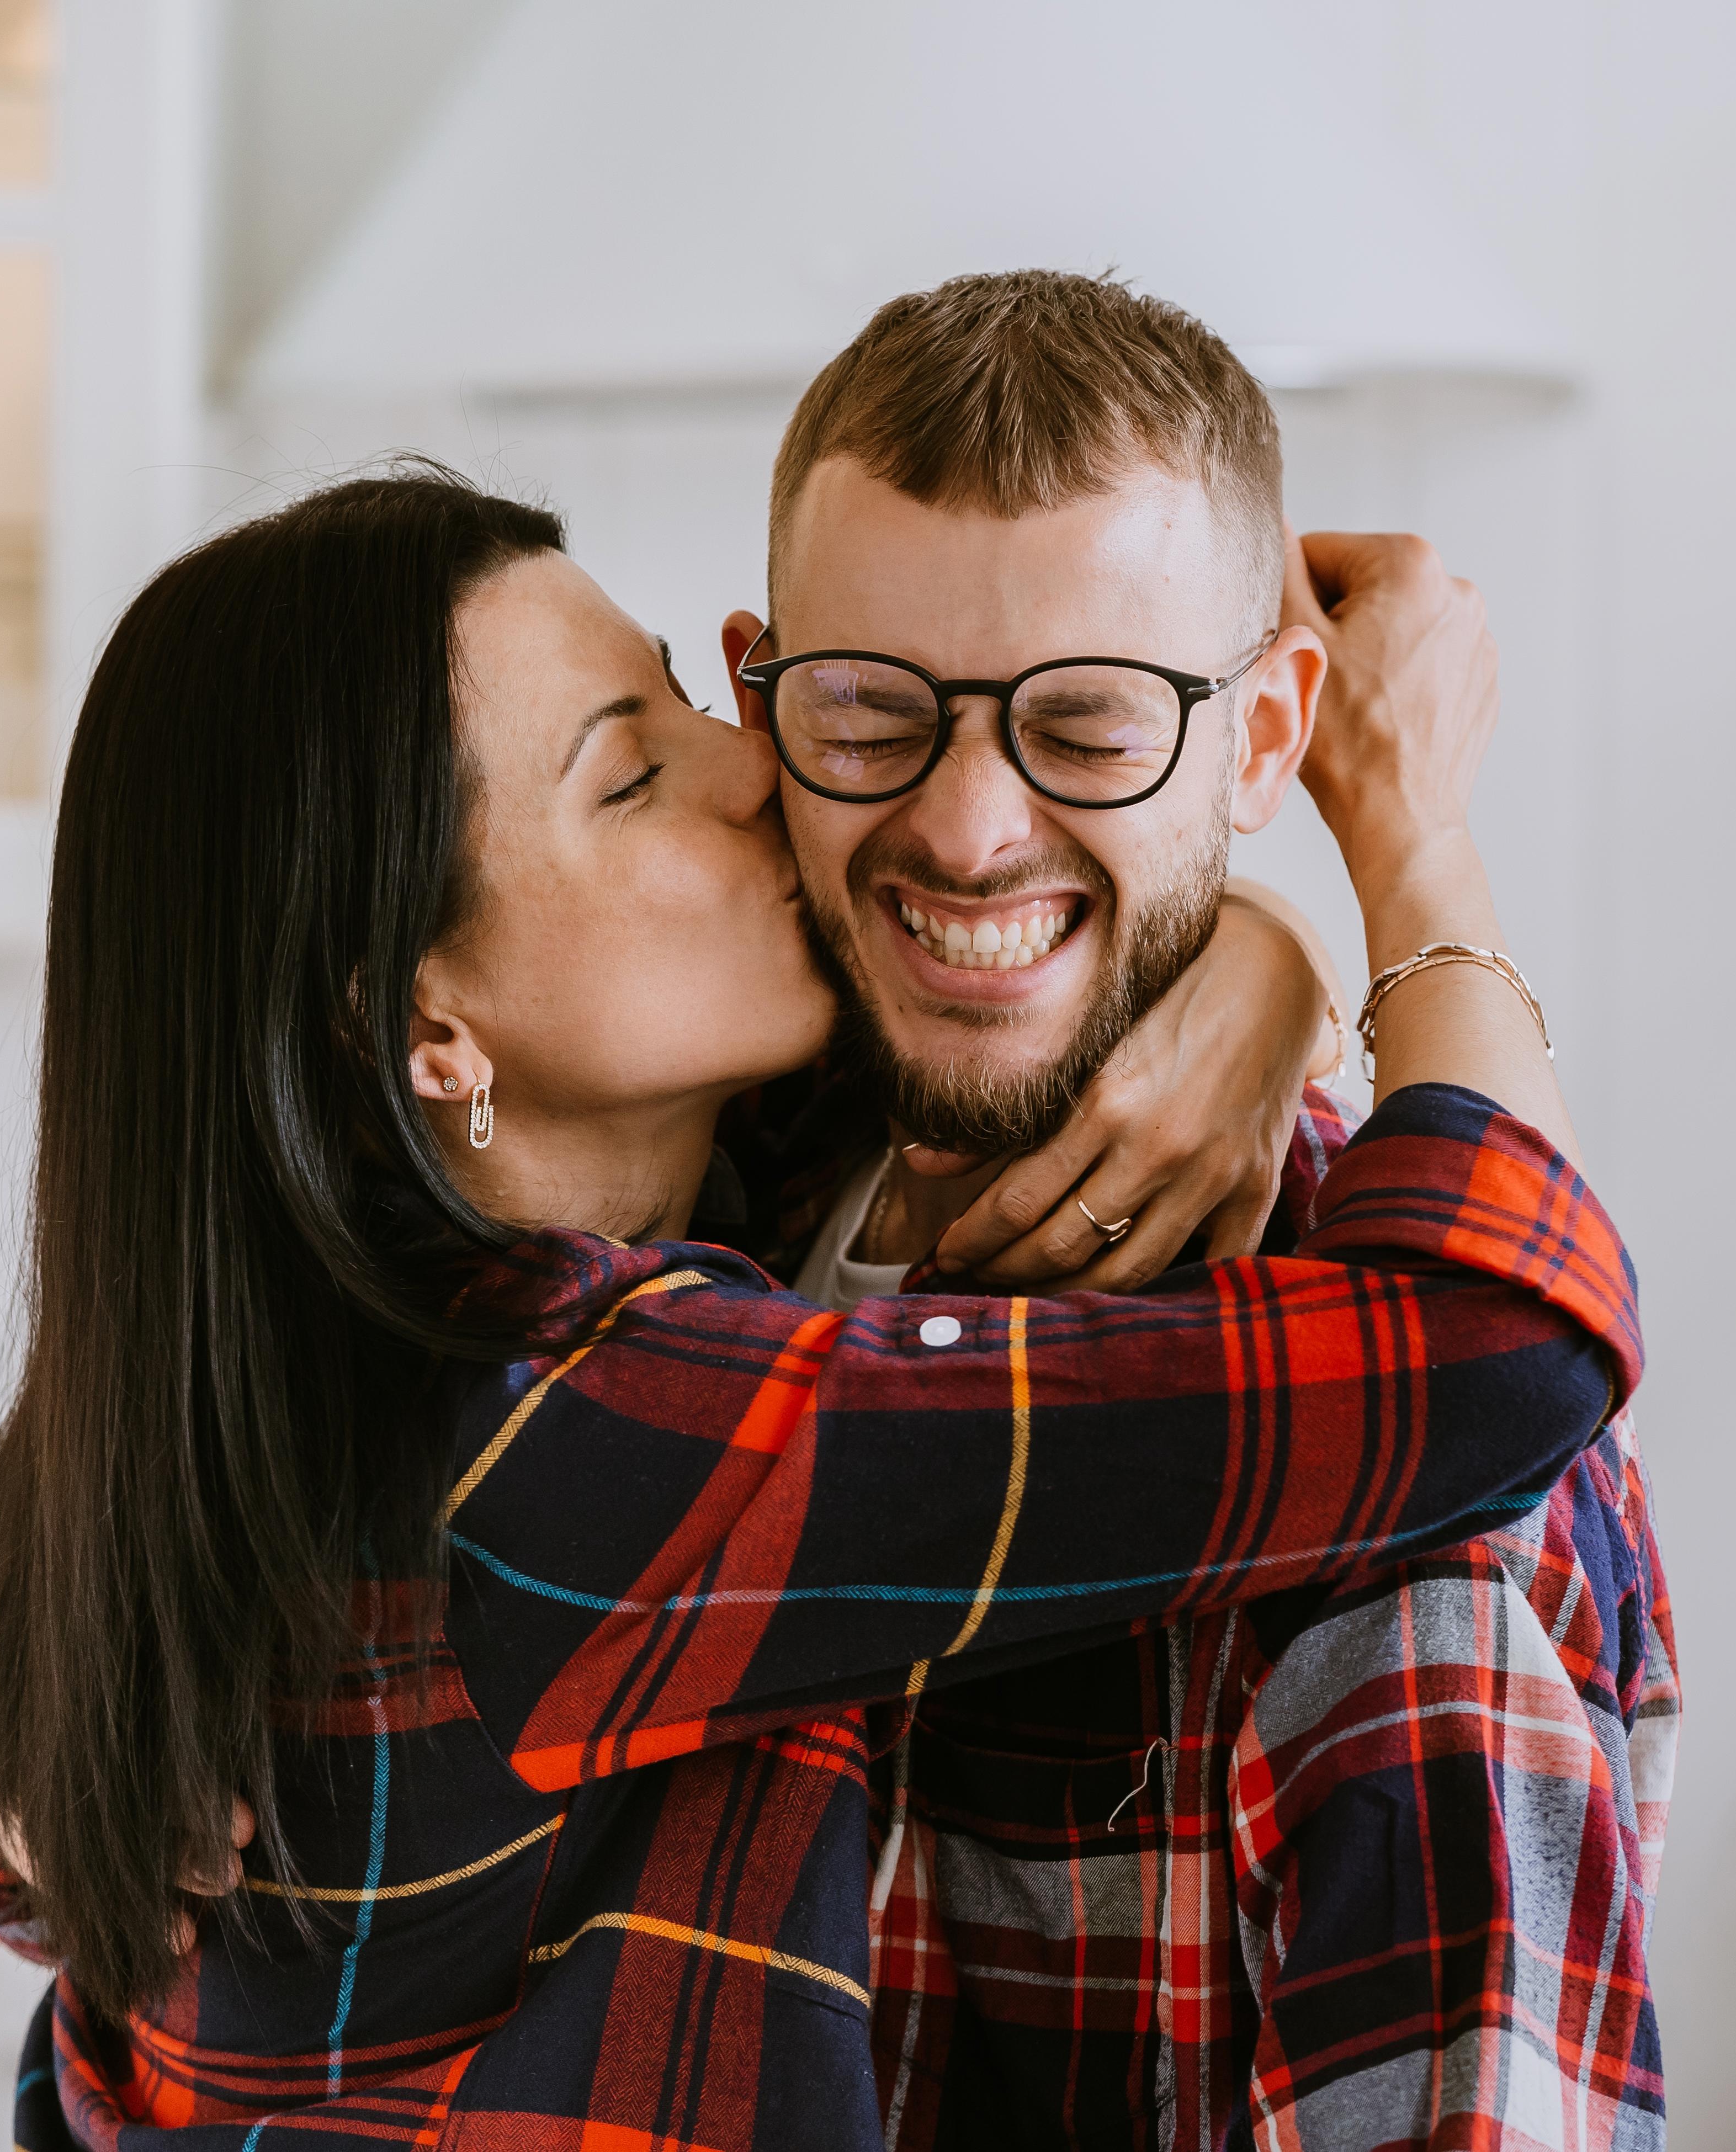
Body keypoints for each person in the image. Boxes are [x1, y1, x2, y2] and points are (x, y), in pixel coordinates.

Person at [0, 459, 1639, 2148]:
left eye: (686, 698)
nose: (751, 775)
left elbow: (40, 1846)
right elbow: (1493, 1346)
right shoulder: (579, 1433)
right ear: (421, 1027)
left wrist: (1247, 952)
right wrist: (1407, 845)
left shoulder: (285, 1386)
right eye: (628, 776)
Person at [713, 271, 1677, 2149]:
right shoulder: (687, 1195)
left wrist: (1368, 886)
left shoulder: (1405, 1488)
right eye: (871, 709)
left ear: (1262, 737)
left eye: (1087, 730)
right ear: (764, 700)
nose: (972, 827)